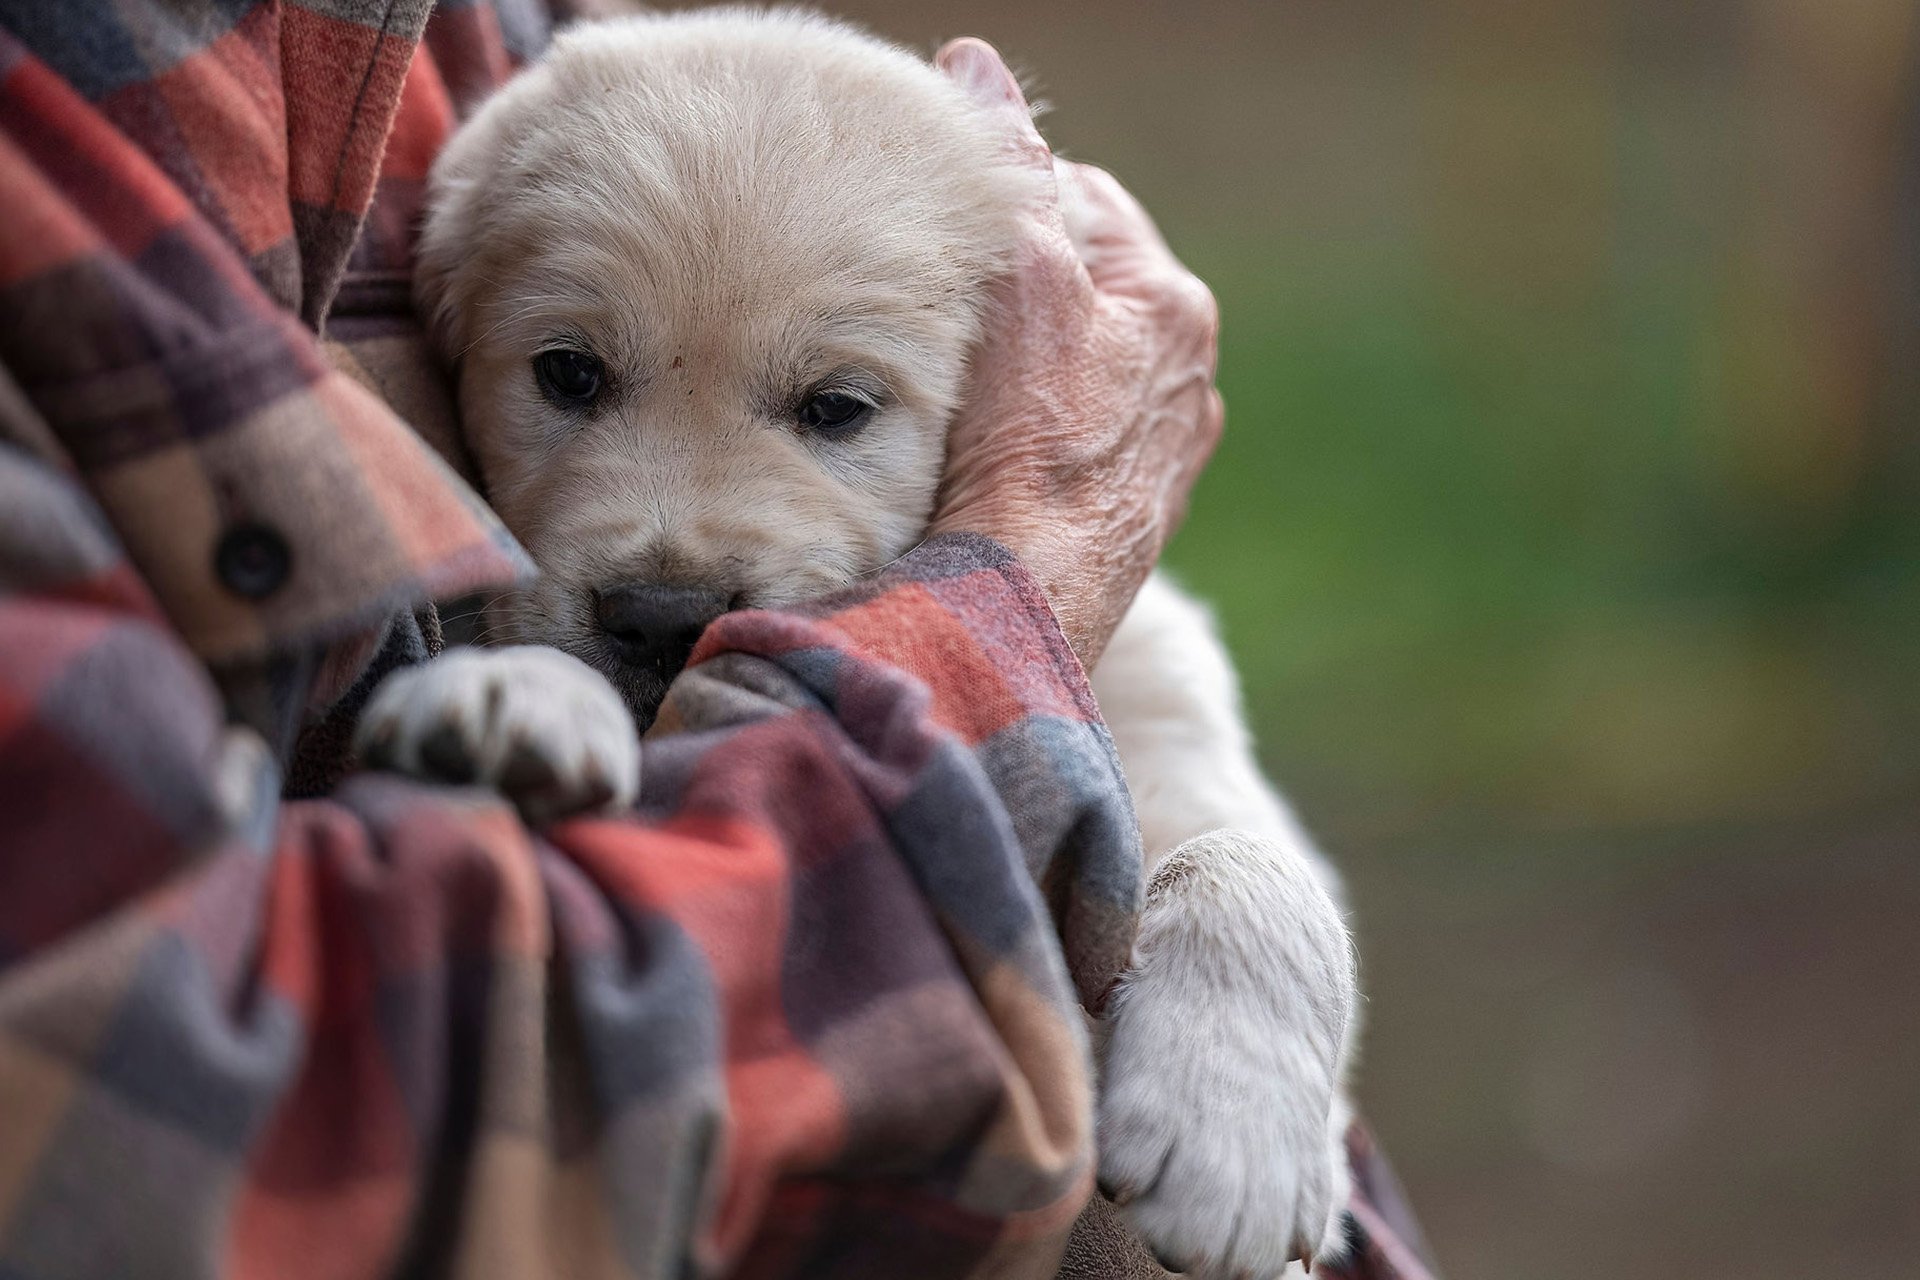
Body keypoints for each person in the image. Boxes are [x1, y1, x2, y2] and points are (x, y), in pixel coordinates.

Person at [0, 2, 1436, 1277]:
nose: (671, 554)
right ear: (453, 317)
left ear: (1042, 372)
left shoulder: (1090, 594)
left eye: (831, 409)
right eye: (572, 375)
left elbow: (1205, 847)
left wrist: (1253, 938)